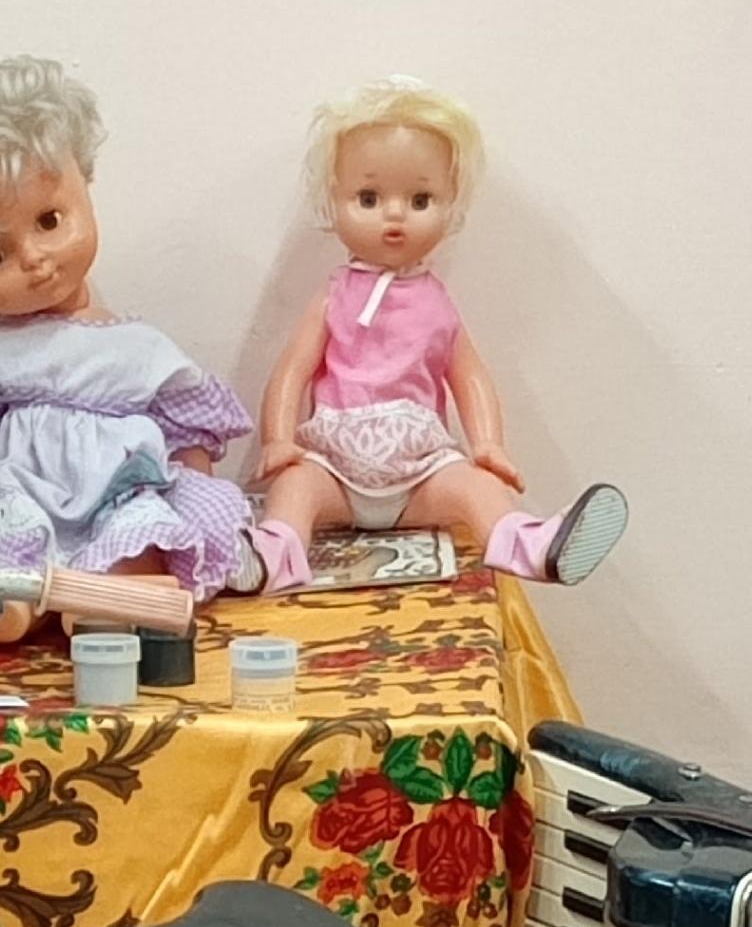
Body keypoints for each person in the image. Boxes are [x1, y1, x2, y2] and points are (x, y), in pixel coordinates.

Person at [0, 55, 259, 629]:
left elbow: (185, 432)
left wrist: (193, 489)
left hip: (116, 492)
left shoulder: (138, 348)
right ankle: (15, 605)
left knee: (137, 529)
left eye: (48, 220)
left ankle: (107, 599)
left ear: (84, 183)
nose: (35, 258)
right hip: (27, 489)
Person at [246, 76, 626, 593]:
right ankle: (269, 557)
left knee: (477, 488)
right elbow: (292, 370)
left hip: (421, 476)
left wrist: (488, 444)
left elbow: (470, 377)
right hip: (335, 471)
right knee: (294, 488)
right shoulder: (335, 296)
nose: (395, 214)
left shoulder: (436, 302)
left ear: (452, 205)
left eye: (421, 199)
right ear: (334, 199)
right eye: (368, 197)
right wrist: (277, 440)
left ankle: (531, 546)